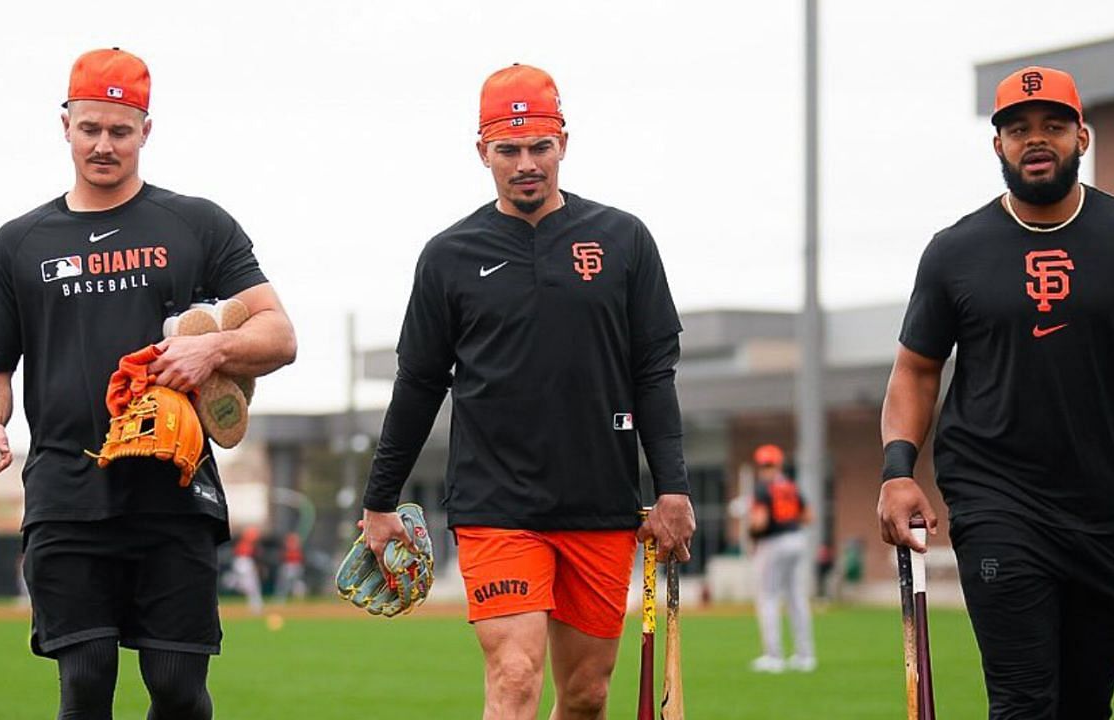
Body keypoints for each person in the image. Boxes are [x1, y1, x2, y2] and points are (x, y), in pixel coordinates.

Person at [877, 65, 1114, 719]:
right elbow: (916, 370)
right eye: (1018, 128)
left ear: (1082, 136)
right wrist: (898, 470)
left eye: (1053, 126)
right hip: (997, 499)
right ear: (998, 146)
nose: (1036, 139)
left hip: (1106, 508)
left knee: (1084, 703)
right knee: (1024, 701)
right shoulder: (955, 251)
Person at [0, 48, 296, 719]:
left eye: (120, 130)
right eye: (90, 129)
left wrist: (213, 350)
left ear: (146, 129)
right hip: (65, 492)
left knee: (177, 689)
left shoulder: (197, 225)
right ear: (65, 126)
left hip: (173, 491)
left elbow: (279, 334)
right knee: (84, 681)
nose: (104, 145)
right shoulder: (19, 243)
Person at [359, 64, 696, 720]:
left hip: (600, 502)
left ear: (563, 143)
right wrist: (380, 500)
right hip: (496, 504)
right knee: (514, 677)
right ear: (481, 151)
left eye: (539, 146)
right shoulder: (449, 255)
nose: (525, 164)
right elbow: (418, 384)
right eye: (508, 150)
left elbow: (654, 373)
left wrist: (675, 487)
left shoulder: (624, 240)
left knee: (587, 695)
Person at [747, 444, 815, 673]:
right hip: (796, 538)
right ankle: (805, 656)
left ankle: (774, 656)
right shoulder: (791, 487)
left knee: (768, 597)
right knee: (796, 598)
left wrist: (750, 533)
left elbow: (760, 523)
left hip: (773, 542)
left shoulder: (762, 488)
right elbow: (808, 516)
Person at [229, 526, 264, 615]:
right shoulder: (246, 545)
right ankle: (256, 608)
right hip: (244, 564)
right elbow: (254, 558)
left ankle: (256, 607)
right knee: (251, 588)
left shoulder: (243, 544)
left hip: (241, 564)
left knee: (251, 588)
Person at [274, 532, 307, 602]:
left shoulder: (298, 549)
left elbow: (301, 558)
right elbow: (282, 557)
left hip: (297, 567)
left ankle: (299, 599)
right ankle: (280, 600)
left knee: (297, 584)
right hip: (287, 567)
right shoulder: (285, 549)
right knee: (284, 584)